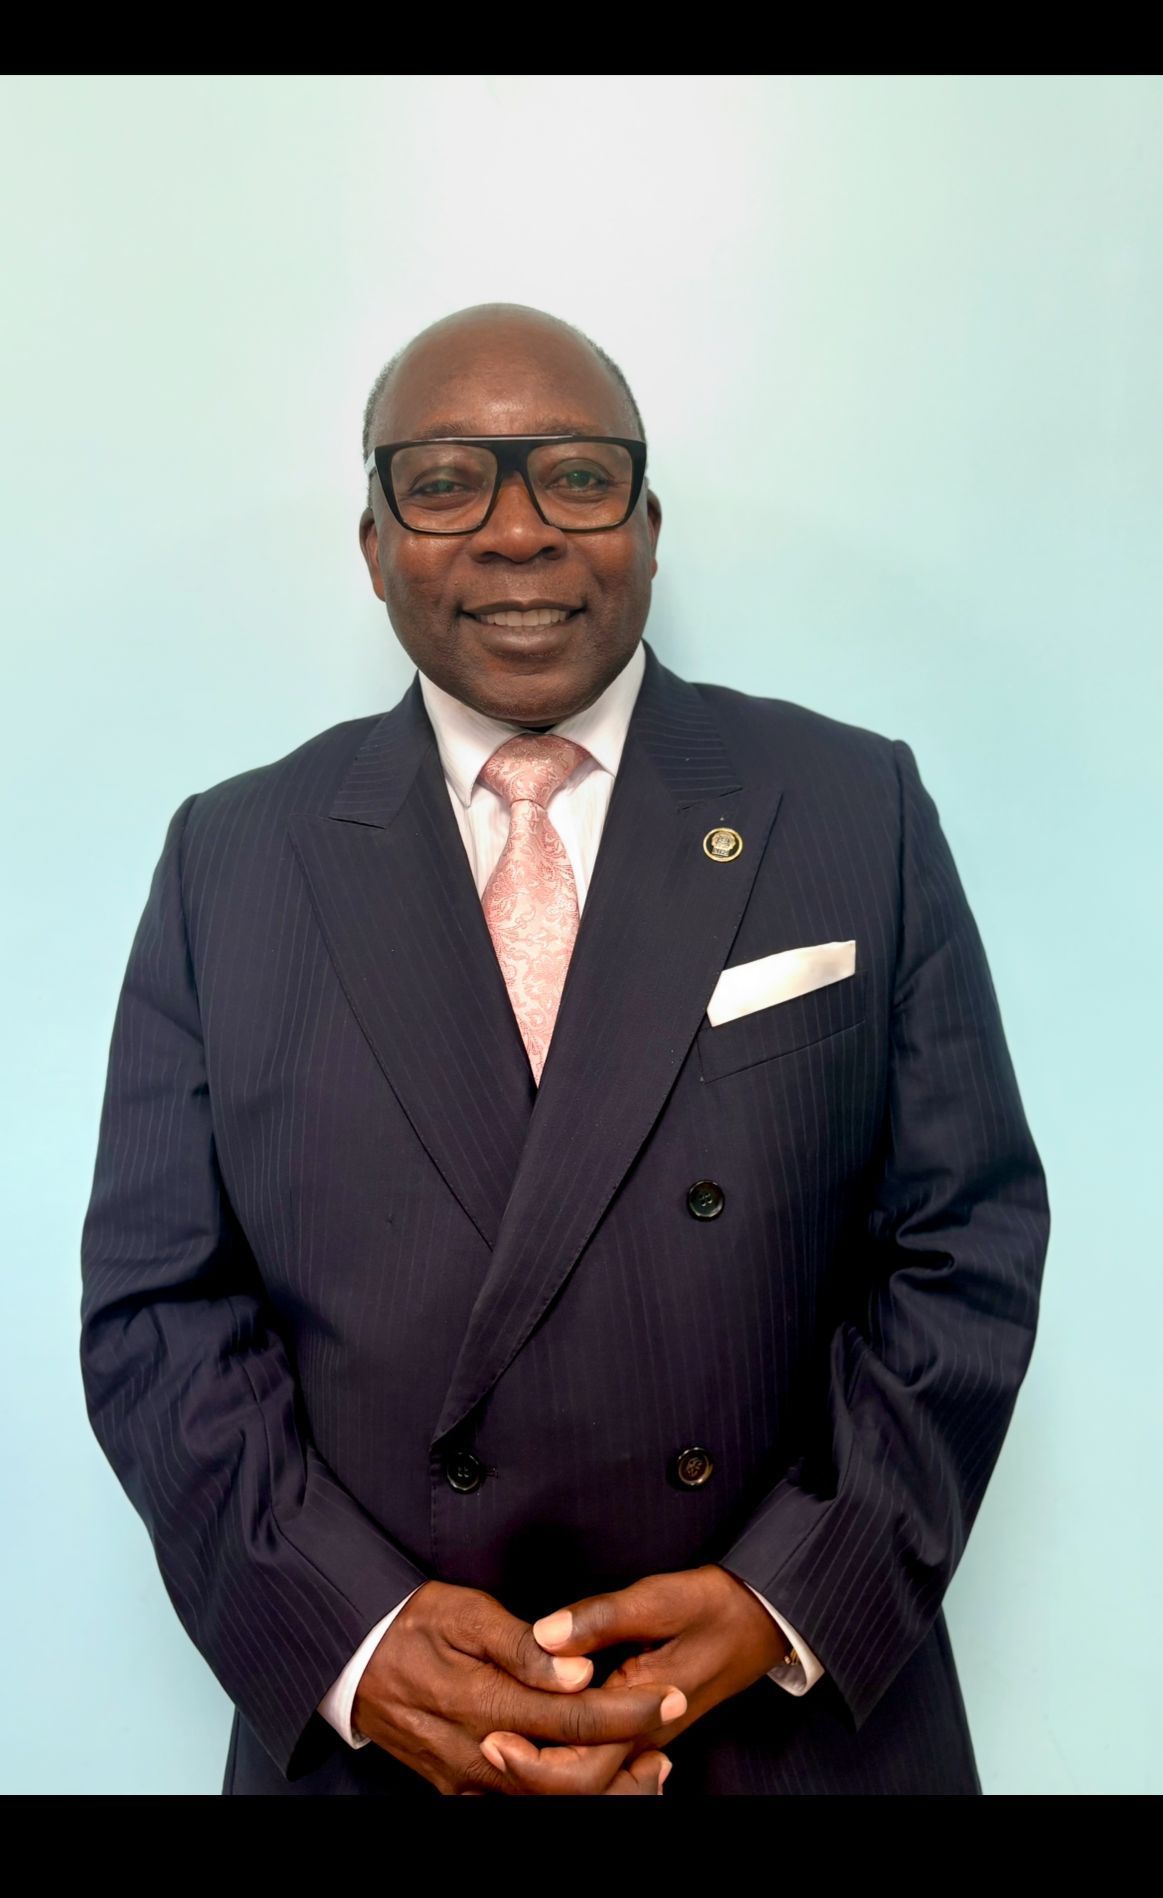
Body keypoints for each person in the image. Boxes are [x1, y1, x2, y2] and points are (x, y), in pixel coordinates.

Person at [80, 303, 1050, 1797]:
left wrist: (789, 1594)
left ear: (650, 523)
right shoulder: (234, 858)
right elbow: (160, 1311)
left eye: (578, 478)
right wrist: (354, 1637)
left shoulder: (853, 807)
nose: (518, 530)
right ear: (375, 541)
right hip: (389, 1745)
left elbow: (964, 1244)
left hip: (788, 1733)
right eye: (450, 479)